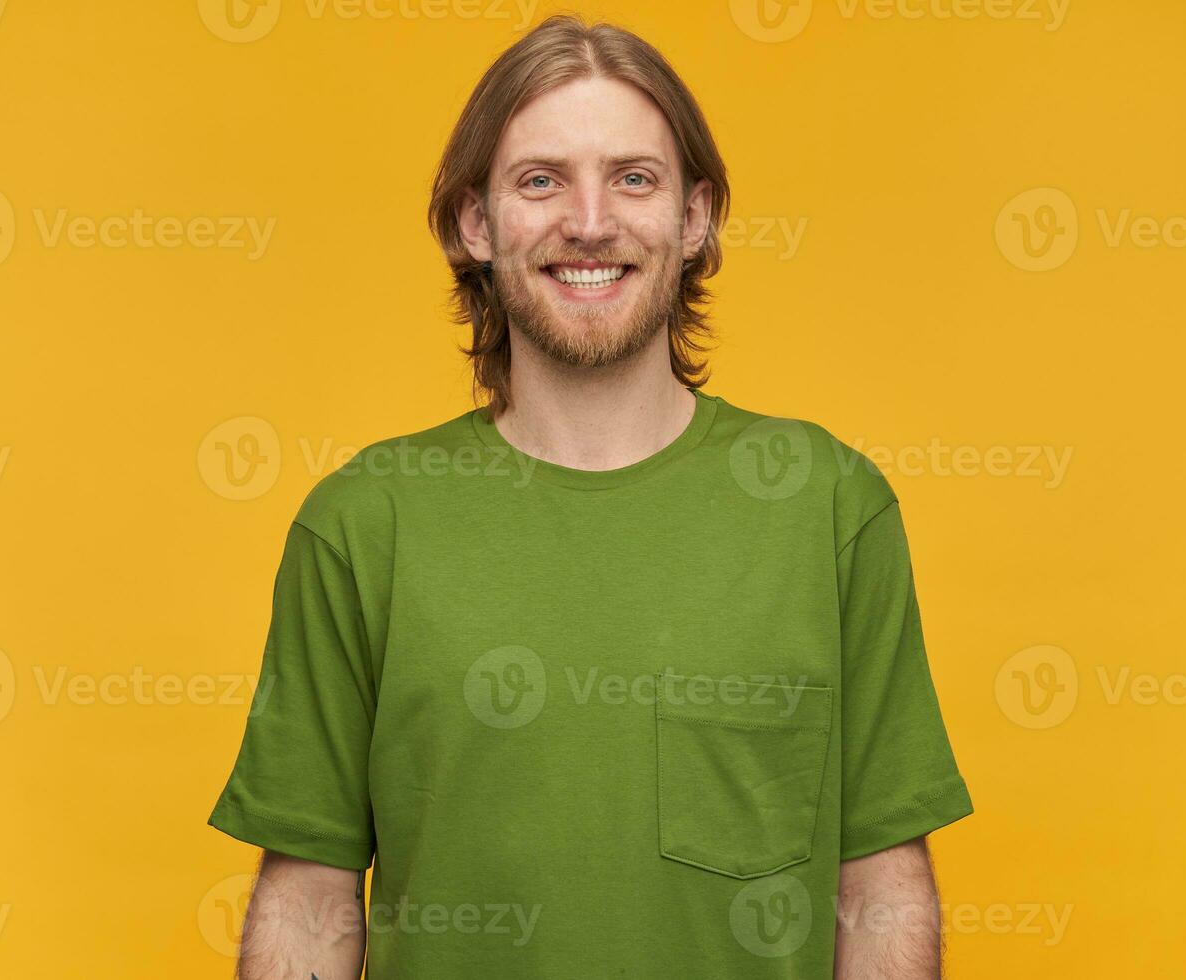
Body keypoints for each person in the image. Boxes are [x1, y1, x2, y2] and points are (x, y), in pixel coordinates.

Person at [207, 13, 973, 978]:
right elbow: (310, 898)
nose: (591, 222)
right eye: (541, 180)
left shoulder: (828, 506)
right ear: (474, 224)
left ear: (694, 219)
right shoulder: (363, 524)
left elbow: (879, 884)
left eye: (633, 178)